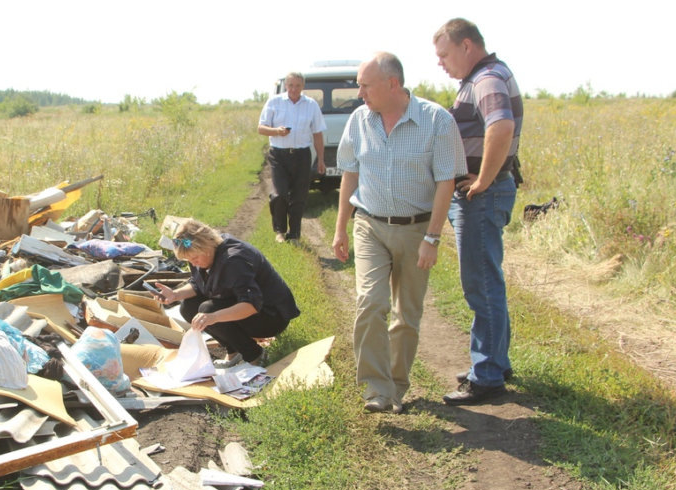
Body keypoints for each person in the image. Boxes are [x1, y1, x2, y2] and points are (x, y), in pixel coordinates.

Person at [330, 53, 465, 414]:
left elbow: (445, 181)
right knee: (371, 303)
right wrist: (341, 227)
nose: (359, 93)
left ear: (393, 84)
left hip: (416, 229)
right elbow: (350, 175)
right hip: (370, 225)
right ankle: (375, 388)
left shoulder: (436, 120)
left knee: (407, 314)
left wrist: (432, 238)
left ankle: (396, 387)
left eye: (365, 85)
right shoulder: (359, 120)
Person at [433, 18, 524, 405]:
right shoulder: (483, 76)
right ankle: (494, 362)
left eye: (444, 54)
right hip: (482, 193)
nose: (441, 63)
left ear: (466, 46)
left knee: (481, 284)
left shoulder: (486, 78)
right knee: (488, 281)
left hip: (481, 196)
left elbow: (500, 127)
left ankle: (486, 376)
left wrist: (483, 180)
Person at [153, 219, 300, 367]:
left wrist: (214, 317)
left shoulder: (233, 260)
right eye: (189, 260)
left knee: (208, 311)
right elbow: (198, 284)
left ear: (206, 246)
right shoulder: (206, 254)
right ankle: (234, 350)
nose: (193, 263)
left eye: (195, 258)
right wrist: (175, 295)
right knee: (188, 307)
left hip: (271, 316)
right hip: (247, 305)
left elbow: (252, 304)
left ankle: (255, 355)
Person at [258, 72, 327, 243]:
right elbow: (261, 128)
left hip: (302, 155)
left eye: (297, 86)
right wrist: (277, 131)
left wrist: (321, 159)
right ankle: (280, 231)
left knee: (299, 196)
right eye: (290, 85)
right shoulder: (274, 102)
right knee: (280, 194)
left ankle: (294, 234)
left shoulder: (311, 105)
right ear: (285, 86)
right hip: (279, 155)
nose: (294, 89)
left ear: (303, 86)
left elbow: (318, 134)